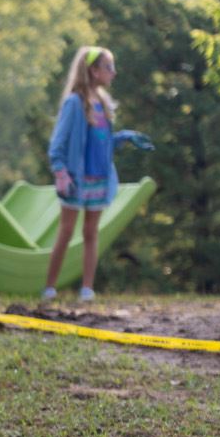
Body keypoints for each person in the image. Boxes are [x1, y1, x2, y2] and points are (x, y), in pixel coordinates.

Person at [42, 46, 149, 302]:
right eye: (109, 67)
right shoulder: (74, 103)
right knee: (66, 231)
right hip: (76, 181)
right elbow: (58, 143)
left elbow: (99, 143)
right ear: (93, 70)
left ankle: (87, 289)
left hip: (99, 178)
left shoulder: (102, 104)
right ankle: (49, 288)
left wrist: (122, 138)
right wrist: (60, 172)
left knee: (91, 232)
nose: (114, 72)